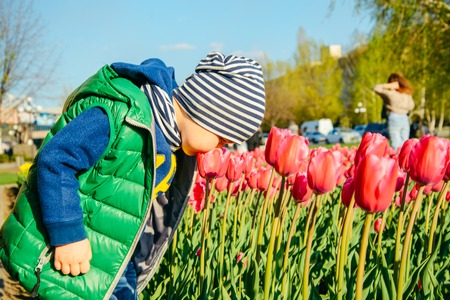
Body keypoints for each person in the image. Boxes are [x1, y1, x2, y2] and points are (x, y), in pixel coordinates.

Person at [0, 52, 266, 299]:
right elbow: (56, 161)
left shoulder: (171, 146)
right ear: (207, 113)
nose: (222, 147)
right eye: (223, 138)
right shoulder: (119, 116)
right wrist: (68, 234)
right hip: (72, 249)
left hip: (113, 259)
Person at [373, 73, 415, 151]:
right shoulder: (407, 94)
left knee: (395, 143)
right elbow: (411, 106)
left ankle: (396, 160)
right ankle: (404, 161)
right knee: (405, 143)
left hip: (394, 117)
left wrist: (388, 86)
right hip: (405, 118)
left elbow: (376, 88)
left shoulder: (391, 94)